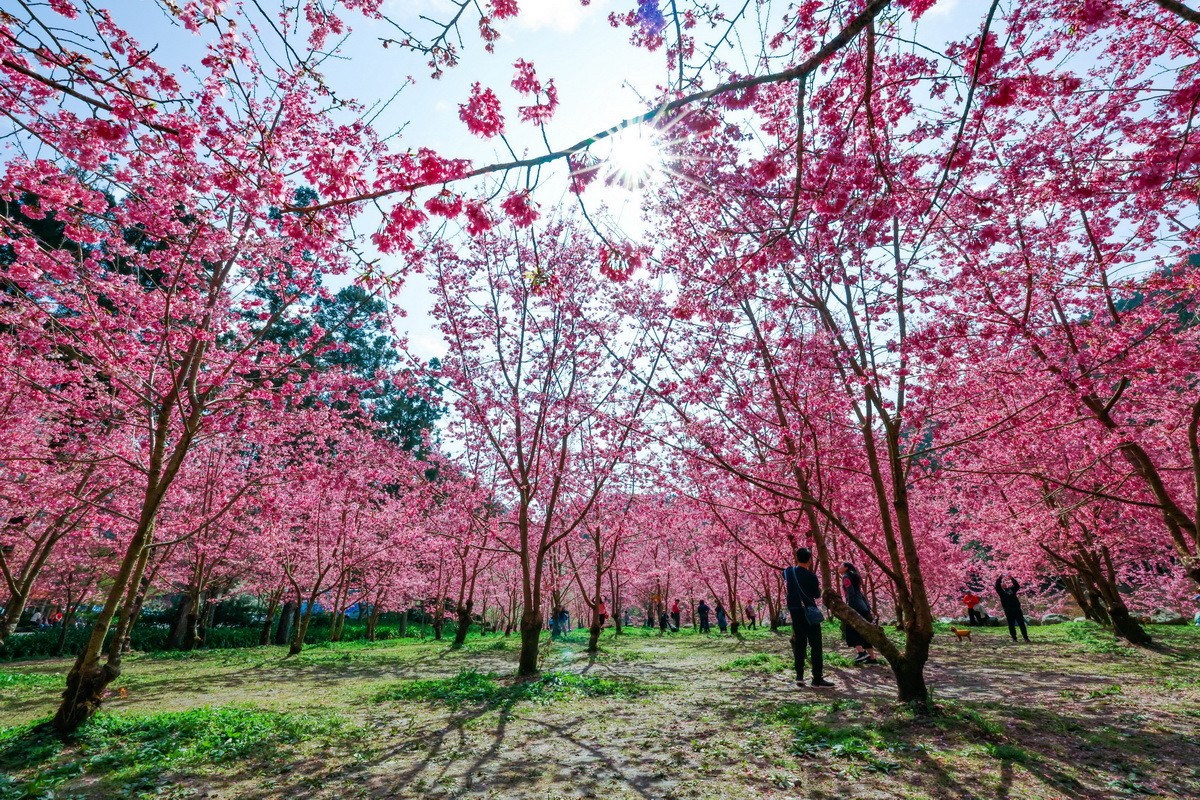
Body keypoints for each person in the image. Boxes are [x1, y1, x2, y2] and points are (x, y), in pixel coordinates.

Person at [784, 547, 833, 688]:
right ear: (810, 561)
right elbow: (817, 595)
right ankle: (817, 679)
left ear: (796, 558)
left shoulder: (788, 571)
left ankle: (799, 677)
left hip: (795, 612)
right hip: (809, 613)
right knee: (815, 645)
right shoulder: (811, 577)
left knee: (799, 644)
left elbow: (784, 576)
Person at [840, 562, 879, 665]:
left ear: (846, 568)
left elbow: (851, 592)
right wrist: (868, 607)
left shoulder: (846, 577)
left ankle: (861, 653)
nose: (839, 567)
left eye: (841, 566)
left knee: (850, 630)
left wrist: (848, 607)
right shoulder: (855, 577)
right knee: (865, 631)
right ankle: (872, 658)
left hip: (855, 606)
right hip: (863, 606)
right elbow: (859, 593)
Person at [995, 574, 1030, 643]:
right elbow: (997, 586)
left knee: (1021, 623)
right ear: (1001, 585)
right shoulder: (1001, 592)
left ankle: (1026, 638)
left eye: (1005, 583)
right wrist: (1000, 578)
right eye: (1002, 583)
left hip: (1016, 609)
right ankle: (1014, 638)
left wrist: (1012, 578)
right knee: (1011, 624)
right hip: (1008, 610)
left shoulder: (1011, 590)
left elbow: (1017, 585)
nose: (1004, 583)